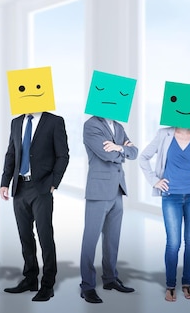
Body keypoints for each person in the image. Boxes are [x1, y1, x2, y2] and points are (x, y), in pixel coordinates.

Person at [139, 127, 190, 302]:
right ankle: (170, 285)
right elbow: (143, 157)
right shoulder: (163, 134)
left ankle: (187, 284)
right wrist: (155, 181)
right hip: (171, 196)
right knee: (173, 242)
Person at [0, 111, 69, 302]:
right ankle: (30, 279)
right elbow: (11, 153)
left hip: (42, 188)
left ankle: (48, 285)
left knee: (45, 235)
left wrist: (54, 182)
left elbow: (63, 155)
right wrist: (5, 182)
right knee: (25, 236)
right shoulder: (16, 122)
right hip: (20, 187)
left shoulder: (54, 121)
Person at [79, 117, 138, 304]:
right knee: (90, 239)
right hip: (98, 190)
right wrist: (123, 150)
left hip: (118, 189)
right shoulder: (91, 125)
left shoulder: (119, 127)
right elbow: (107, 155)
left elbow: (134, 152)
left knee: (112, 239)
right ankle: (87, 286)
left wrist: (119, 148)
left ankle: (110, 279)